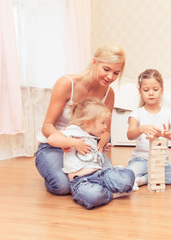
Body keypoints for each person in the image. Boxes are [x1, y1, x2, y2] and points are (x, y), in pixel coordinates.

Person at [35, 42, 125, 195]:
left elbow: (106, 132)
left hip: (86, 147)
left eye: (116, 73)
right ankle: (57, 173)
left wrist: (100, 145)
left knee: (112, 180)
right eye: (106, 69)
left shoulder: (109, 94)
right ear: (95, 62)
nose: (110, 77)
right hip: (55, 147)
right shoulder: (66, 84)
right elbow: (47, 125)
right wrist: (65, 141)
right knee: (62, 186)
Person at [47, 98, 135, 209]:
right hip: (82, 181)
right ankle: (111, 194)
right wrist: (74, 143)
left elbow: (93, 151)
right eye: (102, 123)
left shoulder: (93, 136)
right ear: (88, 123)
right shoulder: (73, 131)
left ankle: (106, 189)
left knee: (128, 178)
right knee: (93, 195)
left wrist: (102, 147)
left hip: (102, 174)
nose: (105, 127)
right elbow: (52, 139)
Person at [126, 69, 171, 188]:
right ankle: (143, 176)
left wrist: (169, 136)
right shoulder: (136, 113)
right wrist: (142, 129)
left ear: (162, 90)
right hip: (140, 160)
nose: (151, 93)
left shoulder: (169, 114)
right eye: (146, 90)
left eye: (155, 89)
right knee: (127, 178)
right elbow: (130, 135)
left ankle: (145, 179)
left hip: (161, 163)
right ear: (140, 91)